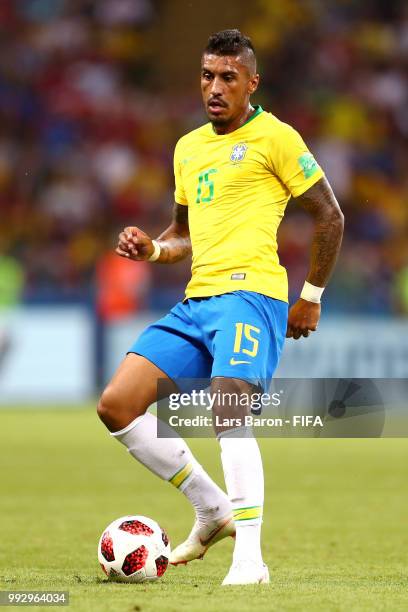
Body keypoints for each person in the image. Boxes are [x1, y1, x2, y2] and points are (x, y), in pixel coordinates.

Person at [97, 29, 344, 585]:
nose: (215, 87)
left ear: (251, 83)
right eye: (208, 75)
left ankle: (250, 559)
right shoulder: (188, 148)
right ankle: (212, 508)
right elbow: (185, 234)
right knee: (117, 405)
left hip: (251, 296)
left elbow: (330, 215)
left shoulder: (276, 137)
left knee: (227, 409)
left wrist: (310, 296)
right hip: (195, 302)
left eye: (228, 77)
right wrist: (154, 249)